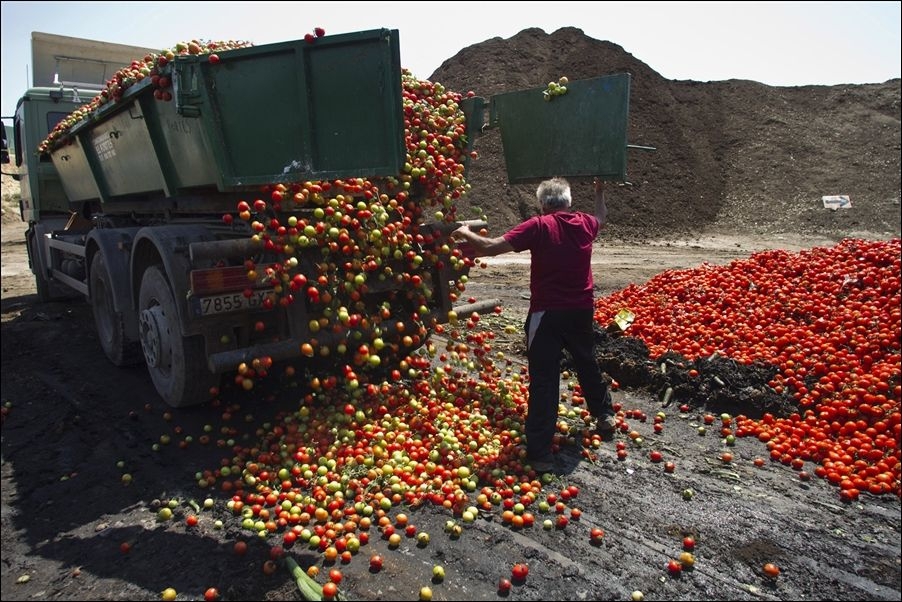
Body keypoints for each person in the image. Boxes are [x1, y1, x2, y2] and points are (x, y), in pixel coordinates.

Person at [451, 177, 616, 473]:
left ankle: (540, 454)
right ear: (568, 202)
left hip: (547, 314)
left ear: (542, 205)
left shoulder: (539, 226)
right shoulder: (584, 224)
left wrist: (463, 232)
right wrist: (600, 192)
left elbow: (489, 247)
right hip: (581, 309)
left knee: (544, 379)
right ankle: (604, 414)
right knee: (586, 360)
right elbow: (602, 217)